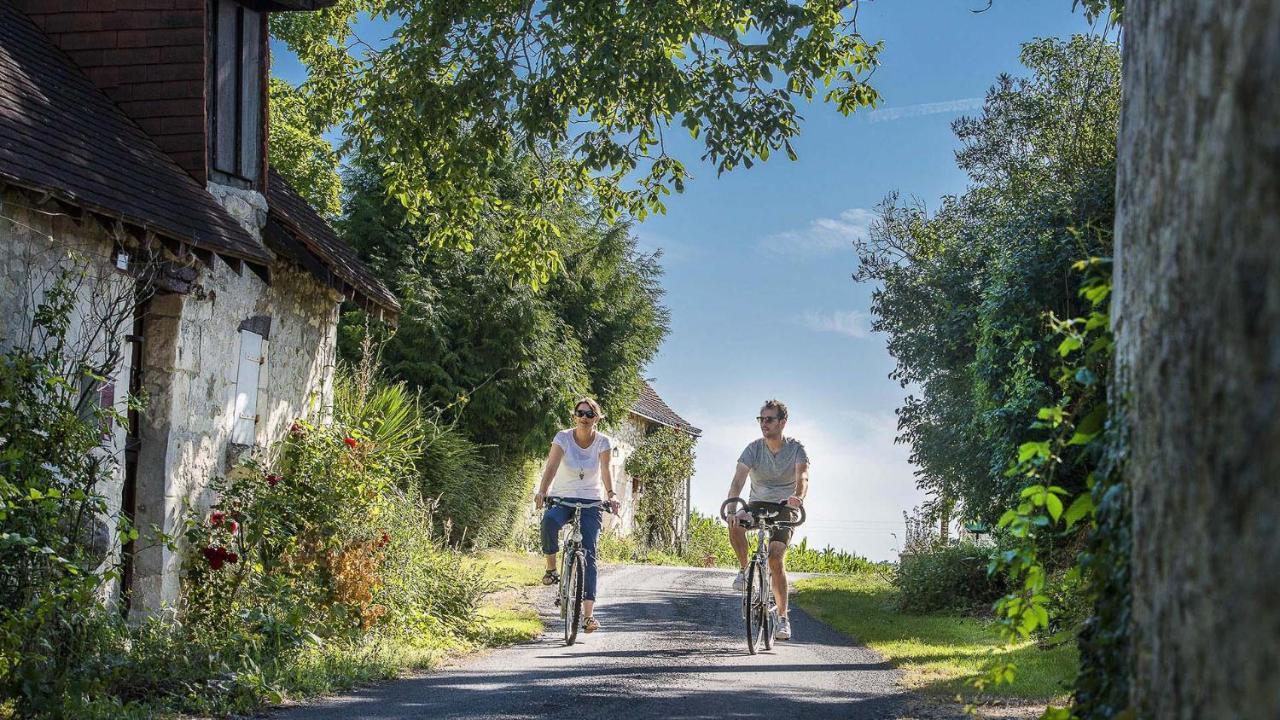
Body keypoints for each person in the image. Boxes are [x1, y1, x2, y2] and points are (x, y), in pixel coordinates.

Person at [534, 397, 621, 633]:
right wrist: (542, 491)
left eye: (589, 414)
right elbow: (551, 466)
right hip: (563, 498)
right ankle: (552, 570)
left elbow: (605, 470)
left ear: (597, 419)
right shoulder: (563, 437)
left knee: (590, 554)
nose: (584, 417)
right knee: (549, 522)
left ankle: (588, 617)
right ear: (574, 416)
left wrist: (611, 494)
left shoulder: (603, 442)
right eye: (580, 413)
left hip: (591, 501)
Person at [726, 398, 809, 641]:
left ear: (782, 422)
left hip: (785, 506)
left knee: (774, 558)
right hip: (757, 504)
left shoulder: (796, 448)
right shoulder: (753, 448)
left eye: (769, 419)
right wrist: (732, 507)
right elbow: (738, 481)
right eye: (761, 419)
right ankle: (744, 571)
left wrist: (797, 498)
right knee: (735, 522)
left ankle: (783, 618)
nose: (764, 424)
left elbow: (802, 477)